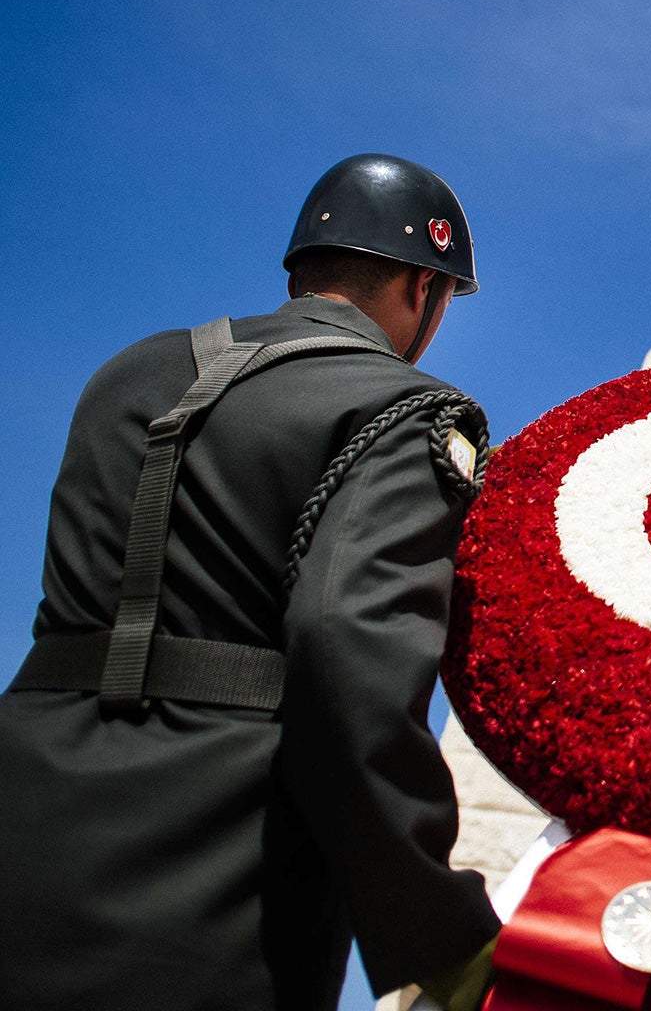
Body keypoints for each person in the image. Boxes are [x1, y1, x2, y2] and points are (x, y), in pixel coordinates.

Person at [0, 154, 502, 1011]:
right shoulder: (407, 409)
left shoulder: (131, 371)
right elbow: (350, 662)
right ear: (423, 288)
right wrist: (441, 933)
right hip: (212, 870)